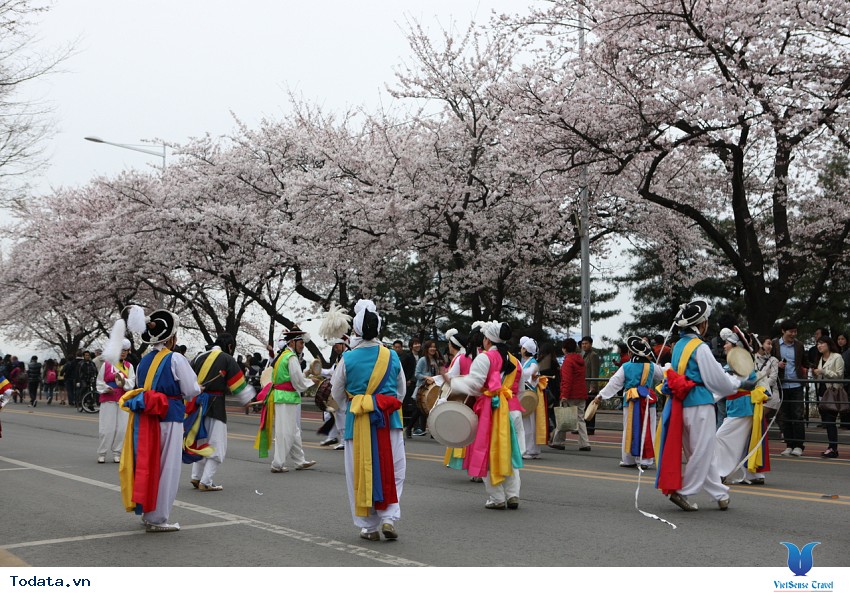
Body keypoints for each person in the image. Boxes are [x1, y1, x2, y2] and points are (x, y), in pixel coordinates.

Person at [656, 300, 751, 512]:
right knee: (703, 452)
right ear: (702, 324)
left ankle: (719, 493)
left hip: (681, 403)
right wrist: (739, 383)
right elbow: (716, 379)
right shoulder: (700, 347)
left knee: (697, 451)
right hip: (700, 404)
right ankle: (683, 491)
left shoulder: (678, 346)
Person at [330, 299, 406, 541]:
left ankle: (369, 527)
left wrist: (354, 405)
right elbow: (401, 392)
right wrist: (382, 404)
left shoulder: (348, 359)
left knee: (360, 473)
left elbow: (336, 392)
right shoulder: (392, 356)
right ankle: (388, 517)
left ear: (356, 330)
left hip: (358, 422)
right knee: (394, 470)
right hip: (389, 421)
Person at [119, 308, 201, 532]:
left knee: (149, 463)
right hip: (170, 416)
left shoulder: (143, 361)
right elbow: (191, 389)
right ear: (171, 337)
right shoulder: (176, 358)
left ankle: (148, 512)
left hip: (148, 417)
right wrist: (197, 388)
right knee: (168, 467)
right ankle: (158, 517)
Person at [451, 321, 523, 509]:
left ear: (488, 340)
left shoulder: (485, 358)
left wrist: (453, 383)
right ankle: (513, 494)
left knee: (486, 451)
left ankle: (497, 497)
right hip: (511, 408)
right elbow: (521, 389)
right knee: (509, 451)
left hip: (490, 410)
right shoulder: (515, 361)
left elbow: (474, 386)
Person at [188, 333, 255, 490]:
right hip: (215, 404)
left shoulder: (199, 357)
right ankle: (206, 481)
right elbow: (238, 386)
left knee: (201, 440)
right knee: (217, 443)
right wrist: (247, 400)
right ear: (230, 346)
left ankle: (196, 477)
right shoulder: (227, 359)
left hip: (197, 404)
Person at [593, 336, 662, 468]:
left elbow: (614, 383)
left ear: (631, 352)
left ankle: (628, 459)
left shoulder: (626, 366)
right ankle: (645, 460)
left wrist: (600, 395)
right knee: (648, 428)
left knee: (629, 429)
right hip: (647, 401)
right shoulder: (651, 366)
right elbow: (665, 374)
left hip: (631, 401)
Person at [254, 328, 317, 474]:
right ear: (292, 342)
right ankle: (277, 463)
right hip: (286, 398)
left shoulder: (283, 356)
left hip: (283, 396)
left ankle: (299, 460)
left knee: (293, 431)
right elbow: (297, 380)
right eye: (301, 343)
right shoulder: (291, 357)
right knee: (285, 432)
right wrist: (311, 381)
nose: (302, 346)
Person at [713, 328, 771, 486]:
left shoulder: (740, 363)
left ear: (736, 346)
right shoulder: (739, 362)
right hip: (742, 406)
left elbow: (727, 383)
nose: (724, 346)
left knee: (721, 437)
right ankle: (754, 475)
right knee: (746, 440)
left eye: (727, 343)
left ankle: (721, 472)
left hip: (741, 406)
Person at [771, 320, 810, 456]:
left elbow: (804, 362)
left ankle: (799, 445)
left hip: (796, 384)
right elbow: (769, 361)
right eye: (790, 332)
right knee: (784, 415)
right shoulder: (775, 344)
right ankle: (789, 444)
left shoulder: (799, 345)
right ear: (783, 331)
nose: (793, 334)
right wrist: (777, 365)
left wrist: (807, 373)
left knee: (798, 415)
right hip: (781, 384)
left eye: (795, 331)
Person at [440, 327, 474, 472]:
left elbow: (451, 377)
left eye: (449, 343)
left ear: (453, 345)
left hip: (460, 395)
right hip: (469, 395)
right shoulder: (469, 356)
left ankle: (458, 460)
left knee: (458, 427)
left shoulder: (460, 358)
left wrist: (437, 378)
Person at [96, 340, 136, 463]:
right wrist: (105, 388)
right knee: (107, 428)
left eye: (125, 351)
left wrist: (123, 382)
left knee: (122, 429)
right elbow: (99, 381)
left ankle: (117, 452)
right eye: (121, 350)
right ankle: (102, 452)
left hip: (123, 400)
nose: (123, 353)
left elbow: (132, 382)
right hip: (108, 399)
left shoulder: (129, 366)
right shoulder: (107, 364)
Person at [552, 338, 589, 451]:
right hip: (581, 393)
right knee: (580, 419)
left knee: (563, 417)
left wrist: (564, 395)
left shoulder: (568, 361)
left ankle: (558, 441)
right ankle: (584, 443)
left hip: (571, 394)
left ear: (564, 349)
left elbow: (567, 380)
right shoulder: (580, 360)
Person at [813, 335, 844, 458]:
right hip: (822, 392)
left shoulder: (837, 357)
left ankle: (833, 448)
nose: (819, 346)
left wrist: (823, 371)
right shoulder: (820, 358)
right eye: (818, 344)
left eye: (822, 343)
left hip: (833, 392)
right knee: (827, 421)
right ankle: (831, 447)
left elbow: (839, 375)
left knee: (830, 421)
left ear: (828, 344)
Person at [518, 336, 547, 460]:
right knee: (527, 424)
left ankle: (531, 450)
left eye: (523, 348)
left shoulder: (532, 363)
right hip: (527, 396)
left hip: (530, 396)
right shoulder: (529, 362)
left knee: (529, 425)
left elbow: (529, 379)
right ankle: (529, 449)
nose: (521, 349)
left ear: (526, 350)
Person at [319, 337, 349, 450]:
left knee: (341, 415)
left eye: (336, 346)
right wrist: (319, 371)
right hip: (339, 391)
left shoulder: (347, 356)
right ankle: (333, 437)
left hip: (345, 391)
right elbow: (332, 372)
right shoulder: (340, 357)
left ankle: (344, 440)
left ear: (343, 344)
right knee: (331, 413)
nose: (335, 349)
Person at [411, 339, 441, 437]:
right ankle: (409, 428)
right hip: (422, 389)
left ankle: (433, 433)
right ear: (427, 348)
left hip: (433, 389)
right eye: (431, 347)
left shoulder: (436, 360)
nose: (433, 349)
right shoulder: (423, 360)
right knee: (418, 411)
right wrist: (426, 377)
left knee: (433, 411)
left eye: (434, 347)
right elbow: (417, 374)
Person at [754, 336, 780, 420]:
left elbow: (773, 379)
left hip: (768, 396)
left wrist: (758, 386)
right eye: (768, 343)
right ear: (760, 344)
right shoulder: (752, 358)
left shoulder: (773, 360)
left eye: (771, 344)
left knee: (757, 417)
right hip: (754, 395)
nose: (770, 346)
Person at [580, 336, 600, 435]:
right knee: (584, 408)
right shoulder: (584, 355)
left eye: (586, 343)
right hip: (584, 386)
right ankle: (584, 428)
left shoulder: (593, 355)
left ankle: (590, 428)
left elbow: (594, 371)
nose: (584, 345)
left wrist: (593, 386)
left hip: (590, 386)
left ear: (591, 344)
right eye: (583, 344)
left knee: (590, 408)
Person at [400, 338, 421, 438]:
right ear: (411, 346)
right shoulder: (407, 356)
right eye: (415, 344)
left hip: (418, 383)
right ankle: (403, 425)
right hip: (409, 383)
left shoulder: (421, 356)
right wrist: (405, 380)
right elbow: (401, 369)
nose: (417, 345)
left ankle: (414, 427)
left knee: (417, 406)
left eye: (418, 343)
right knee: (405, 404)